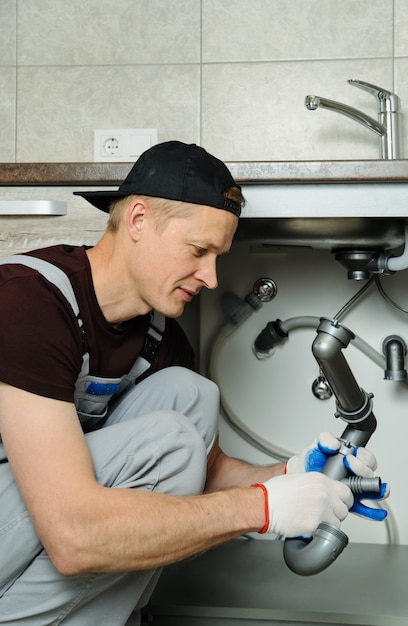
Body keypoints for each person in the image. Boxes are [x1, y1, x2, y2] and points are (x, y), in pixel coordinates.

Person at [0, 141, 387, 625]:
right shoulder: (29, 302)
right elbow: (74, 534)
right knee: (171, 441)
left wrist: (294, 477)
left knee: (191, 395)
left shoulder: (159, 337)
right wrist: (262, 509)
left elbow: (207, 471)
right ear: (138, 221)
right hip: (32, 529)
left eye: (218, 256)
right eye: (199, 250)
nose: (210, 276)